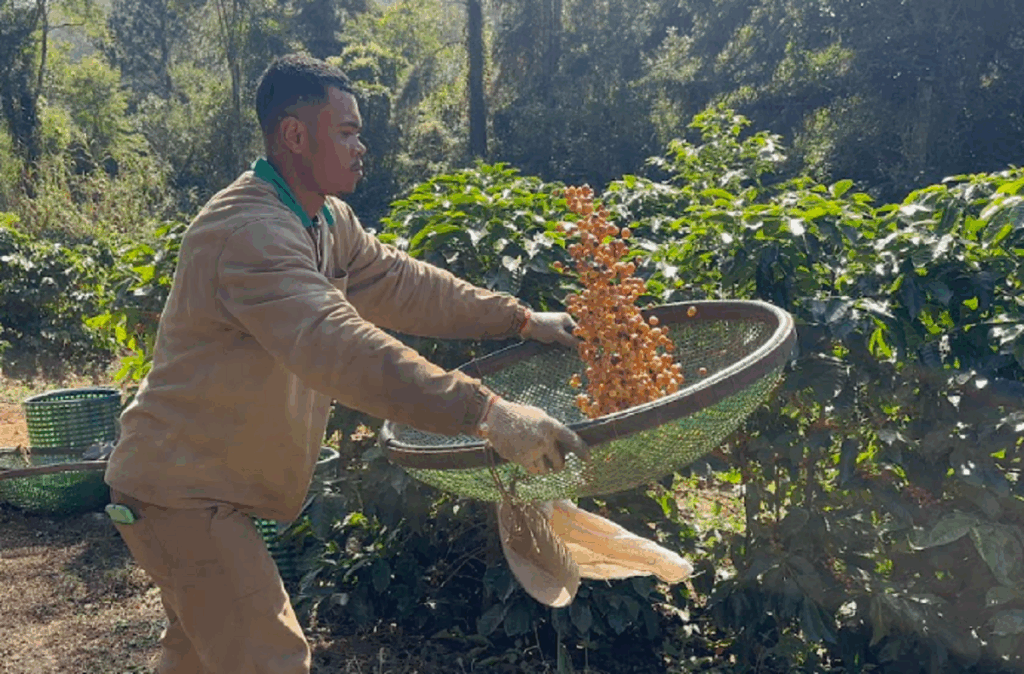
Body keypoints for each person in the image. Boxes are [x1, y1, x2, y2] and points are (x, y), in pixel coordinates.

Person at [103, 53, 588, 674]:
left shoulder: (326, 220)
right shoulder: (249, 231)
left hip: (201, 489)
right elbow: (336, 344)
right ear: (294, 135)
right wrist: (487, 412)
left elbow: (404, 284)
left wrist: (518, 318)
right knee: (272, 659)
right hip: (182, 495)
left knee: (198, 659)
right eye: (347, 132)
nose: (362, 147)